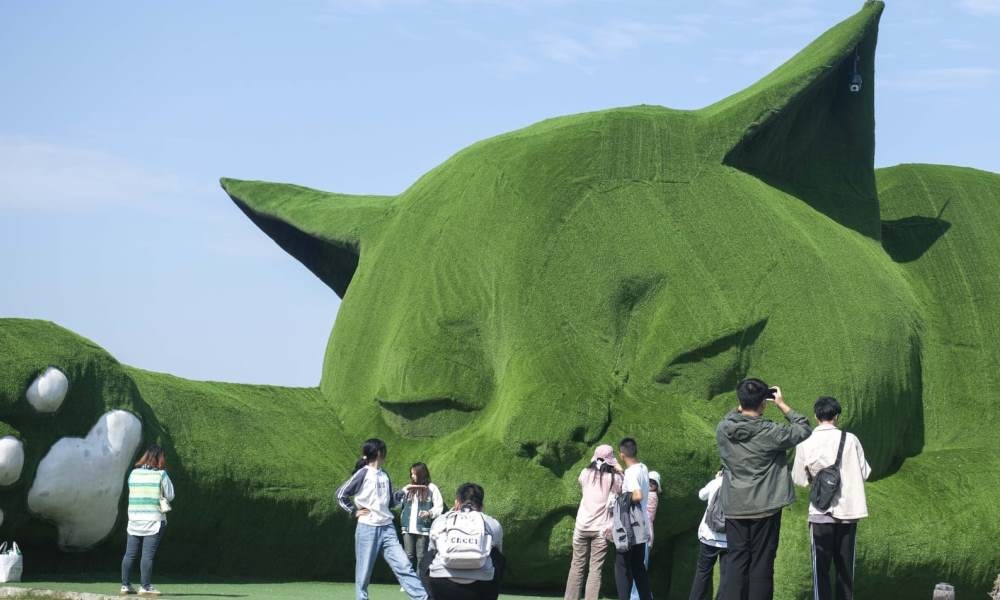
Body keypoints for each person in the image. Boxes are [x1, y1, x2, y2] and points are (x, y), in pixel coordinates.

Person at [716, 378, 811, 600]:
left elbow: (732, 416)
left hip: (734, 506)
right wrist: (782, 404)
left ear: (740, 402)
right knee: (762, 563)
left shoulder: (723, 429)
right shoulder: (770, 432)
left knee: (735, 562)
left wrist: (743, 404)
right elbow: (803, 428)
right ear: (764, 402)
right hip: (765, 507)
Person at [791, 397, 871, 600]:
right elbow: (865, 472)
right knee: (845, 570)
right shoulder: (851, 439)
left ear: (816, 416)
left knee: (821, 569)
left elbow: (799, 479)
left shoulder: (805, 442)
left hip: (819, 512)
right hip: (848, 512)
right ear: (836, 416)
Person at [336, 439, 428, 600]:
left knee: (404, 565)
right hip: (367, 528)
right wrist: (353, 511)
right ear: (379, 453)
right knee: (363, 572)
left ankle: (422, 598)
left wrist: (405, 491)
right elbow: (340, 494)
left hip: (387, 528)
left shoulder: (384, 474)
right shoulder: (362, 473)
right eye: (384, 450)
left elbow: (391, 501)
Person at [421, 482, 504, 600]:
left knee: (428, 557)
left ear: (456, 503)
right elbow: (499, 557)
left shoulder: (442, 520)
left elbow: (431, 552)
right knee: (497, 556)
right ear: (482, 506)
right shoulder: (492, 523)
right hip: (481, 589)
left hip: (442, 586)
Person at [564, 445, 623, 600]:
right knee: (595, 569)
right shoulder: (615, 479)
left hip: (582, 526)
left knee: (576, 566)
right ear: (610, 460)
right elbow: (622, 487)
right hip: (601, 530)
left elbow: (583, 485)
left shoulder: (584, 474)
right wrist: (619, 469)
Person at [120, 444, 175, 597]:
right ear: (159, 458)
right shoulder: (161, 475)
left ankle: (125, 585)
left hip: (134, 519)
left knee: (129, 554)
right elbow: (170, 495)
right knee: (147, 555)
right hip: (154, 521)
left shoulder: (134, 474)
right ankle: (145, 586)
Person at [614, 438, 652, 600]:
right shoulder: (643, 468)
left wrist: (621, 498)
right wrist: (622, 472)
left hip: (631, 524)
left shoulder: (630, 473)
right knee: (638, 567)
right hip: (642, 522)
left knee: (621, 566)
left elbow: (637, 495)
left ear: (622, 454)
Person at [688, 470, 728, 600]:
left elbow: (701, 495)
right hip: (729, 539)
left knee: (703, 572)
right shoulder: (740, 484)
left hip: (709, 536)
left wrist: (717, 479)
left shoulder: (716, 482)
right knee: (726, 576)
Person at [400, 462, 445, 572]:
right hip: (408, 526)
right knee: (408, 555)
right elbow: (398, 502)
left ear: (422, 474)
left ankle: (420, 582)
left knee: (421, 555)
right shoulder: (409, 487)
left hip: (423, 527)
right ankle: (408, 581)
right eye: (411, 474)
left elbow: (439, 506)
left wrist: (429, 513)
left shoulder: (432, 488)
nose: (412, 476)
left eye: (414, 474)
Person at [629, 471, 660, 600]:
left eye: (654, 482)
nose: (651, 484)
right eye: (649, 481)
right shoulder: (646, 495)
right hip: (642, 534)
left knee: (641, 566)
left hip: (645, 535)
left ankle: (636, 597)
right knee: (639, 566)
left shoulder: (652, 496)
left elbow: (647, 514)